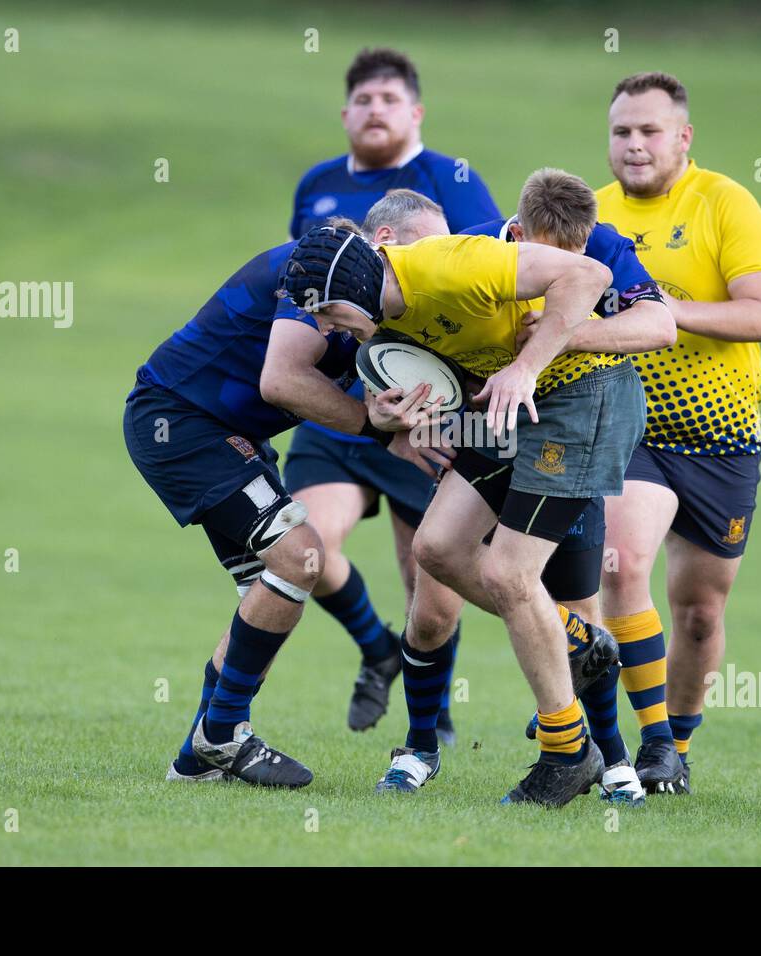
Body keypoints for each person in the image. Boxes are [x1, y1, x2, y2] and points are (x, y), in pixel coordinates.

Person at [281, 169, 668, 807]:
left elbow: (591, 278)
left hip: (582, 401)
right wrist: (387, 416)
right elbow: (414, 373)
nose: (327, 326)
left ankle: (567, 752)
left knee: (512, 576)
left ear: (354, 285)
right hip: (506, 410)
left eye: (327, 311)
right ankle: (577, 642)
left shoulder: (453, 263)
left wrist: (526, 365)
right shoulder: (378, 317)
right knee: (436, 548)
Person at [123, 199, 450, 787]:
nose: (435, 266)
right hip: (179, 423)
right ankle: (223, 734)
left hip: (228, 434)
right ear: (383, 241)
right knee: (300, 556)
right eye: (425, 251)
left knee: (266, 593)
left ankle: (196, 761)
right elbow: (282, 380)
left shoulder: (377, 296)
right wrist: (375, 427)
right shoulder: (318, 270)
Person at [286, 48, 502, 738]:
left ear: (415, 112)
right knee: (304, 545)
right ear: (345, 113)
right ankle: (377, 651)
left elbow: (484, 282)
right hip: (341, 404)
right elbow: (303, 294)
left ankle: (430, 721)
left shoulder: (450, 179)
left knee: (429, 581)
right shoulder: (316, 185)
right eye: (363, 99)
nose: (375, 109)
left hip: (423, 412)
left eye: (390, 98)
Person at [595, 72, 761, 794]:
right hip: (628, 425)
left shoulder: (724, 202)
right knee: (619, 563)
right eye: (621, 132)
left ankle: (676, 743)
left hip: (720, 435)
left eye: (649, 131)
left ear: (683, 136)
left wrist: (665, 312)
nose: (635, 145)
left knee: (701, 614)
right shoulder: (593, 214)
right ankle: (646, 742)